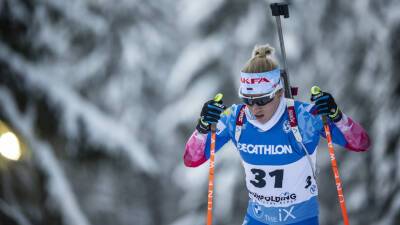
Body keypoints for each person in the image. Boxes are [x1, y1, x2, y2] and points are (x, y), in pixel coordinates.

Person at [183, 44, 370, 225]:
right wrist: (202, 127)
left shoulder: (303, 117)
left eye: (262, 100)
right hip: (257, 219)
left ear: (279, 92)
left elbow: (361, 142)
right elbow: (192, 159)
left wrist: (336, 116)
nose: (255, 108)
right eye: (248, 100)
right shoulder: (235, 118)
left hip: (300, 221)